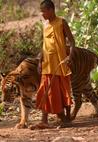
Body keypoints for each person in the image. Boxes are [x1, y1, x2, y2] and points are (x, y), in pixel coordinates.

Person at [30, 0, 75, 129]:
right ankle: (45, 120)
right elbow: (44, 44)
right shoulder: (44, 24)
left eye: (44, 11)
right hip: (47, 63)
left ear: (51, 10)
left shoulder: (62, 22)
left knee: (60, 90)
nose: (42, 14)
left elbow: (72, 42)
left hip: (60, 62)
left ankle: (64, 118)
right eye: (41, 11)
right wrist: (40, 61)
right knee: (45, 89)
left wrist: (69, 57)